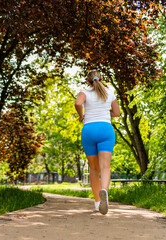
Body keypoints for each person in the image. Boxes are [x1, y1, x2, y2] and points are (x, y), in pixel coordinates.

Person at [75, 69, 120, 215]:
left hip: (89, 130)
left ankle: (97, 203)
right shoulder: (110, 92)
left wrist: (81, 115)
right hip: (106, 130)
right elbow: (117, 113)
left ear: (88, 81)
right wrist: (106, 112)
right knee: (105, 167)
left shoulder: (85, 92)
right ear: (101, 79)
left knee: (94, 169)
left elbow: (77, 103)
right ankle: (104, 192)